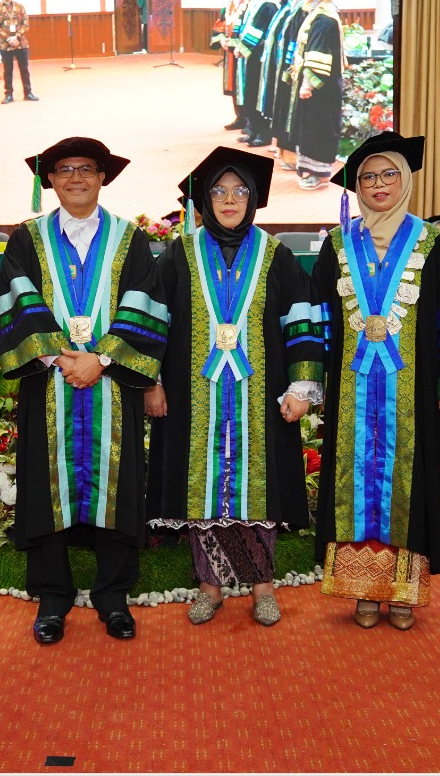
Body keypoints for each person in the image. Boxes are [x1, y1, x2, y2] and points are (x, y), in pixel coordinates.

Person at [0, 137, 167, 645]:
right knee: (46, 484)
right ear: (49, 179)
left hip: (112, 384)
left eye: (86, 169)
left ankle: (114, 595)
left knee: (118, 482)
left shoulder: (129, 238)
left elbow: (146, 303)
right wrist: (60, 358)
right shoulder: (27, 238)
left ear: (102, 177)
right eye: (65, 169)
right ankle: (52, 597)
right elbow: (17, 299)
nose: (76, 178)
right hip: (49, 382)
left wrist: (102, 359)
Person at [146, 147, 324, 627]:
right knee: (201, 486)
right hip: (191, 395)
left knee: (258, 486)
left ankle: (263, 587)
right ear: (204, 199)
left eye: (240, 191)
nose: (229, 200)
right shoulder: (179, 255)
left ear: (254, 198)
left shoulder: (276, 255)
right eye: (219, 191)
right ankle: (210, 587)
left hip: (262, 395)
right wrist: (152, 381)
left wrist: (301, 386)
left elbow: (302, 322)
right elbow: (154, 322)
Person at [311, 132, 440, 631]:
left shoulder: (432, 244)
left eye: (389, 174)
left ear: (405, 180)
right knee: (352, 481)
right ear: (356, 187)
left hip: (413, 389)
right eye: (368, 177)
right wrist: (314, 382)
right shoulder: (336, 244)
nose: (379, 184)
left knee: (409, 482)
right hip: (349, 389)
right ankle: (362, 589)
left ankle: (403, 592)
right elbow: (318, 317)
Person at [286, 0, 346, 191]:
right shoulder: (318, 12)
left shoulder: (324, 18)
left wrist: (308, 83)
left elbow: (318, 52)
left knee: (318, 127)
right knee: (310, 127)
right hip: (318, 85)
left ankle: (319, 173)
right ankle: (311, 170)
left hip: (322, 87)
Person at [261, 0, 311, 170]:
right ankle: (285, 151)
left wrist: (290, 67)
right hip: (286, 66)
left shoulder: (304, 10)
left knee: (291, 110)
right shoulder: (293, 8)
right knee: (283, 106)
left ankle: (293, 155)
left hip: (295, 69)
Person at [229, 0, 279, 149]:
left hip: (259, 56)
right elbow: (239, 23)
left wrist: (243, 48)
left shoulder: (268, 5)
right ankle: (252, 130)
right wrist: (235, 43)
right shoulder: (251, 2)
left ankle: (263, 133)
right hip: (248, 55)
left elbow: (258, 30)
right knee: (249, 91)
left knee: (258, 93)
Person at [0, 0, 38, 104]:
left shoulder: (20, 7)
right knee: (7, 71)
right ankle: (8, 95)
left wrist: (17, 37)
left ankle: (28, 93)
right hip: (5, 45)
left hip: (21, 43)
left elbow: (26, 24)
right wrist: (9, 39)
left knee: (24, 69)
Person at [217, 0, 251, 131]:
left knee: (244, 83)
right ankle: (239, 116)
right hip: (230, 51)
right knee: (233, 84)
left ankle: (248, 118)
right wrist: (222, 38)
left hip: (243, 51)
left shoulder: (250, 2)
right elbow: (221, 22)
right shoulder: (231, 1)